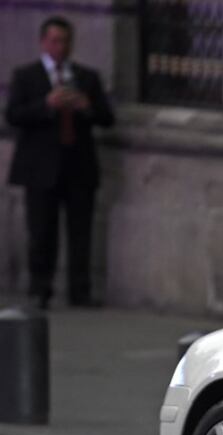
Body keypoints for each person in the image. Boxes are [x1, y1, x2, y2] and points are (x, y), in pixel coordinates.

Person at [5, 15, 115, 310]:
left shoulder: (86, 77)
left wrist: (85, 107)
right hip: (40, 168)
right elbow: (13, 115)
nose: (60, 47)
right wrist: (47, 105)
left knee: (81, 231)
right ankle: (41, 289)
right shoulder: (26, 76)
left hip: (78, 166)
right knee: (41, 231)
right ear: (43, 43)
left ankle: (80, 290)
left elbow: (107, 118)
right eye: (54, 41)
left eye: (65, 41)